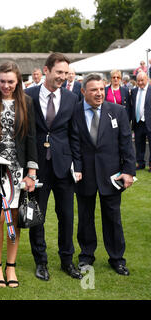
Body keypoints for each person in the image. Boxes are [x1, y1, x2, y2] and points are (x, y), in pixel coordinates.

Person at [0, 62, 38, 288]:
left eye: (11, 81)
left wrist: (31, 172)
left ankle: (10, 267)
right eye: (2, 81)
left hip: (18, 170)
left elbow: (31, 137)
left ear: (18, 82)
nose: (6, 85)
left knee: (14, 219)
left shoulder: (27, 102)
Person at [24, 52, 83, 281]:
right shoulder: (28, 95)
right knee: (37, 217)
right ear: (46, 70)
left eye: (66, 73)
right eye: (59, 72)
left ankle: (67, 260)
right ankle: (41, 262)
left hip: (64, 166)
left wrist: (77, 164)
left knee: (66, 216)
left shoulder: (71, 98)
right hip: (36, 166)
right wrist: (27, 167)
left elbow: (74, 134)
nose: (62, 77)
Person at [73, 73, 135, 275]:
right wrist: (77, 168)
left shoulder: (117, 111)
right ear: (83, 92)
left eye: (101, 89)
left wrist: (128, 172)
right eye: (94, 90)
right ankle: (86, 256)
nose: (99, 93)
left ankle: (117, 259)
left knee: (113, 218)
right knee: (85, 218)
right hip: (85, 176)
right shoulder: (74, 112)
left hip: (112, 175)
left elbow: (126, 143)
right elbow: (73, 143)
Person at [129, 71, 151, 171]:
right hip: (138, 122)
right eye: (138, 81)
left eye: (142, 80)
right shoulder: (133, 91)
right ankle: (140, 163)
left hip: (149, 121)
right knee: (138, 144)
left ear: (147, 79)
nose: (140, 83)